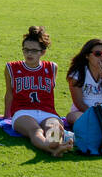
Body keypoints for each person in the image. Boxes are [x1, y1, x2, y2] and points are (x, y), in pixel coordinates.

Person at [5, 25, 73, 156]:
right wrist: (6, 116)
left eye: (34, 51)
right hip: (23, 111)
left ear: (43, 52)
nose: (29, 54)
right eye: (26, 50)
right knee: (35, 130)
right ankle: (51, 147)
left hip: (47, 111)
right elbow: (9, 94)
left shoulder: (52, 67)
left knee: (55, 128)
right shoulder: (11, 67)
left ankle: (54, 145)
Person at [65, 38, 102, 126]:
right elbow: (79, 103)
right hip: (84, 112)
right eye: (98, 54)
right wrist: (96, 115)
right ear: (87, 56)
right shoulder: (77, 73)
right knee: (72, 116)